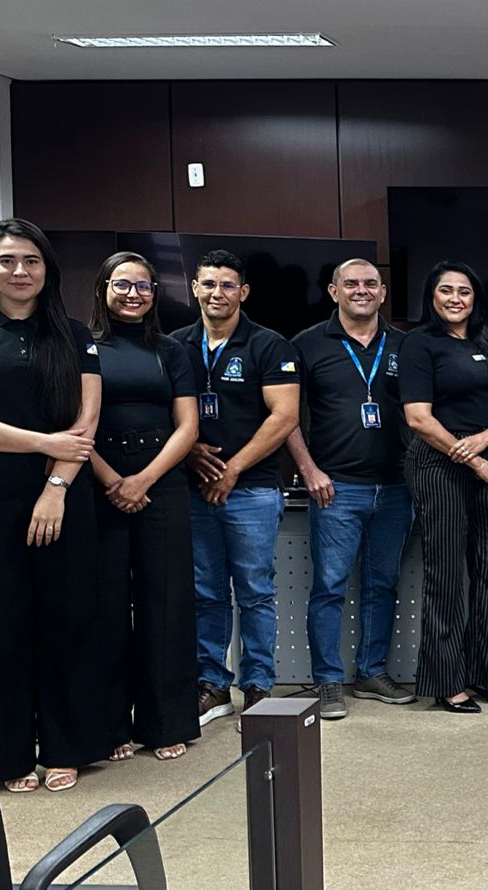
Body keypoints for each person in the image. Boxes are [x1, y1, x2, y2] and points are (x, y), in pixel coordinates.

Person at [0, 219, 107, 793]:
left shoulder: (74, 334)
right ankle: (9, 758)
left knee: (66, 620)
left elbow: (85, 422)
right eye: (7, 260)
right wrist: (42, 442)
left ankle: (65, 748)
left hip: (63, 491)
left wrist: (55, 486)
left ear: (46, 269)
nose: (19, 271)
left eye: (31, 260)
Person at [171, 250, 300, 727]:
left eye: (227, 285)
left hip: (252, 491)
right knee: (205, 591)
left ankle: (258, 684)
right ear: (194, 289)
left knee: (254, 592)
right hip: (192, 489)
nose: (217, 294)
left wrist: (232, 470)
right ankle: (212, 684)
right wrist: (188, 451)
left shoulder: (269, 345)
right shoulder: (175, 345)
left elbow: (284, 417)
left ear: (243, 292)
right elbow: (162, 410)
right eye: (208, 284)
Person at [285, 259, 415, 720]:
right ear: (333, 291)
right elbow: (286, 417)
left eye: (371, 284)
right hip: (335, 488)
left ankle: (371, 672)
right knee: (330, 588)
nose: (362, 290)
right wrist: (309, 470)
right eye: (352, 283)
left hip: (396, 488)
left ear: (383, 292)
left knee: (383, 585)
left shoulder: (405, 344)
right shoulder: (306, 344)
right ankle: (327, 680)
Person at [87, 251, 200, 762]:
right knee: (105, 604)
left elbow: (188, 427)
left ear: (155, 293)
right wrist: (113, 480)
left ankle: (165, 723)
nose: (133, 294)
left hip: (162, 480)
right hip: (98, 477)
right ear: (103, 288)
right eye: (123, 285)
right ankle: (111, 726)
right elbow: (71, 423)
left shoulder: (170, 350)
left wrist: (144, 479)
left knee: (166, 601)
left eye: (144, 286)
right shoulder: (82, 345)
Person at [399, 260, 488, 713]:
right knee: (447, 576)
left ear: (475, 298)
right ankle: (448, 684)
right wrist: (474, 460)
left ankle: (484, 676)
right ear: (431, 297)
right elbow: (418, 419)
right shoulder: (419, 343)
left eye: (464, 291)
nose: (455, 299)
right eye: (446, 290)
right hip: (439, 465)